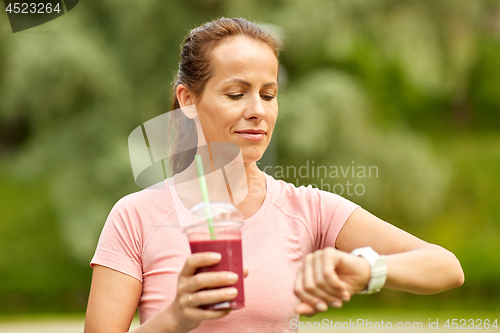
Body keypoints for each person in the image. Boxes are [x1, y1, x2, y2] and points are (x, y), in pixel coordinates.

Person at [84, 18, 464, 333]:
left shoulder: (307, 208)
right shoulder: (135, 217)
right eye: (236, 94)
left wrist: (366, 268)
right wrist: (174, 319)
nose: (257, 111)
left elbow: (445, 267)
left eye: (268, 95)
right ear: (187, 101)